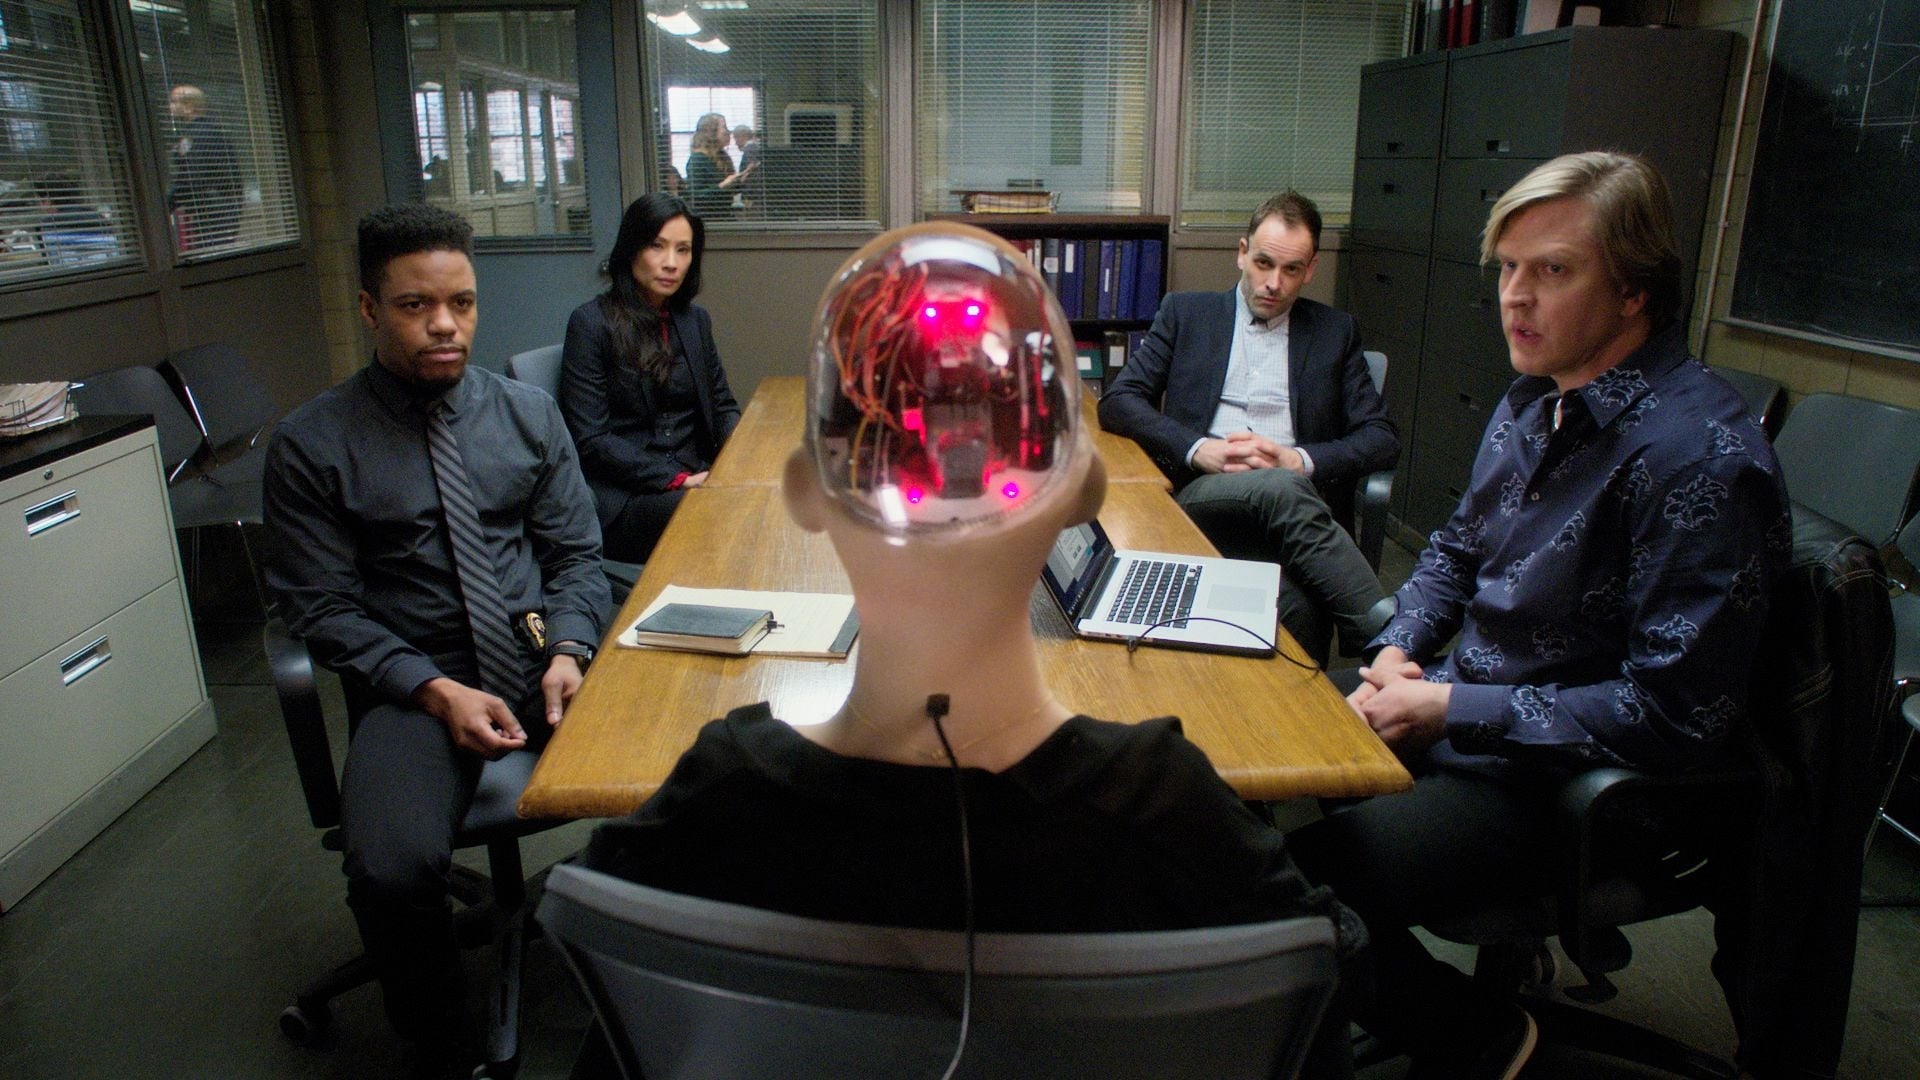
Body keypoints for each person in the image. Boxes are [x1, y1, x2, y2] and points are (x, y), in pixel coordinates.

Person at [581, 222, 1364, 1077]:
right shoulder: (1174, 813)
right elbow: (1312, 1008)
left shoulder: (714, 803)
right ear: (1084, 488)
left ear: (804, 492)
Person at [1287, 152, 1790, 1079]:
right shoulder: (1534, 400)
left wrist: (1450, 708)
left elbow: (1671, 716)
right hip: (1477, 710)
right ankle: (1377, 996)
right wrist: (1398, 648)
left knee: (1287, 893)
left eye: (1553, 270)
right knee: (1254, 768)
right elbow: (1454, 551)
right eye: (1509, 268)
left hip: (1577, 783)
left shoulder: (1699, 456)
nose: (1516, 297)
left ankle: (1480, 1037)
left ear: (1635, 289)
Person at [263, 204, 610, 1073]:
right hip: (417, 683)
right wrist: (432, 688)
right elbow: (324, 608)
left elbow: (575, 555)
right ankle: (444, 1048)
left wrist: (570, 649)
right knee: (388, 870)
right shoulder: (313, 444)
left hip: (540, 657)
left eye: (462, 302)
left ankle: (650, 994)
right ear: (369, 309)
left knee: (696, 771)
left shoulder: (527, 415)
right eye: (416, 305)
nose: (446, 324)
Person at [1099, 191, 1399, 661]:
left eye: (1291, 270)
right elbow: (1119, 401)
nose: (1273, 283)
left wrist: (1298, 460)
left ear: (1311, 269)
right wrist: (1198, 448)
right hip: (1205, 498)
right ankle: (1389, 637)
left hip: (1298, 524)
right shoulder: (1186, 314)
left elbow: (1381, 440)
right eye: (1263, 263)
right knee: (1278, 486)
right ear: (1242, 253)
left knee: (1301, 610)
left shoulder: (1334, 332)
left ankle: (1307, 704)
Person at [559, 192, 741, 562]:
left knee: (769, 496)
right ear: (631, 250)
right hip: (629, 497)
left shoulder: (695, 321)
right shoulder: (591, 323)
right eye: (657, 246)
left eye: (683, 250)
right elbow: (591, 440)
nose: (671, 263)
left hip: (698, 477)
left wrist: (741, 459)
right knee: (726, 517)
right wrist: (678, 480)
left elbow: (722, 405)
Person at [165, 84, 243, 250]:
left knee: (212, 249)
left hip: (214, 207)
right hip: (212, 206)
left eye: (174, 101)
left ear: (189, 106)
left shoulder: (201, 134)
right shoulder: (202, 131)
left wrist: (168, 201)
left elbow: (194, 174)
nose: (170, 106)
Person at [682, 112, 753, 218]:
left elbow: (725, 193)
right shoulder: (698, 160)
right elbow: (696, 196)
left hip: (724, 218)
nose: (728, 132)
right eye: (724, 127)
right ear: (711, 132)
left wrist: (740, 181)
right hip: (708, 220)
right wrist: (723, 185)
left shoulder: (721, 158)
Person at [731, 123, 763, 210]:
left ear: (743, 136)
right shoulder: (754, 148)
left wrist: (742, 176)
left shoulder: (750, 148)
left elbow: (752, 165)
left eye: (736, 138)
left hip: (752, 195)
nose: (735, 143)